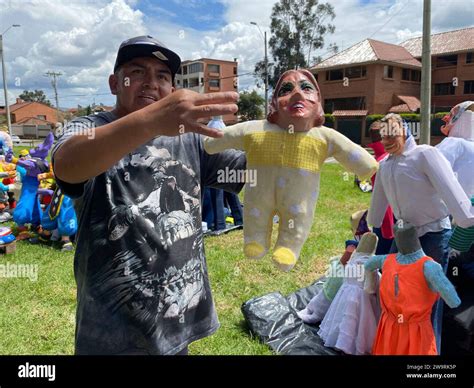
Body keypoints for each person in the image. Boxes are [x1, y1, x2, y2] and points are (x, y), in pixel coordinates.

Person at [52, 35, 245, 355]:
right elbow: (67, 164)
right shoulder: (89, 127)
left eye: (163, 76)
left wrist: (290, 137)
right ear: (115, 83)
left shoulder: (190, 138)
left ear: (171, 88)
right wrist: (152, 119)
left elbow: (245, 173)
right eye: (138, 72)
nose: (151, 83)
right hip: (112, 326)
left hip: (176, 316)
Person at [204, 69, 378, 271]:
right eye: (286, 89)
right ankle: (256, 239)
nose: (297, 94)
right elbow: (217, 140)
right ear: (274, 103)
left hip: (298, 200)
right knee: (255, 213)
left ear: (318, 103)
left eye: (306, 88)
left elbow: (354, 154)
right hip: (259, 194)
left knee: (297, 219)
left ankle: (288, 247)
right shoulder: (254, 130)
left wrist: (369, 167)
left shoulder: (324, 137)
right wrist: (208, 141)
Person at [367, 113, 474, 353]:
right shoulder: (385, 165)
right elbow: (377, 207)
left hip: (433, 232)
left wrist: (467, 217)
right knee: (394, 289)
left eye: (392, 134)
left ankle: (426, 352)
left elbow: (450, 189)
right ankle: (395, 344)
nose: (387, 140)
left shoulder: (425, 155)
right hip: (404, 237)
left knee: (428, 298)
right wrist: (372, 223)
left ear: (404, 132)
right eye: (385, 136)